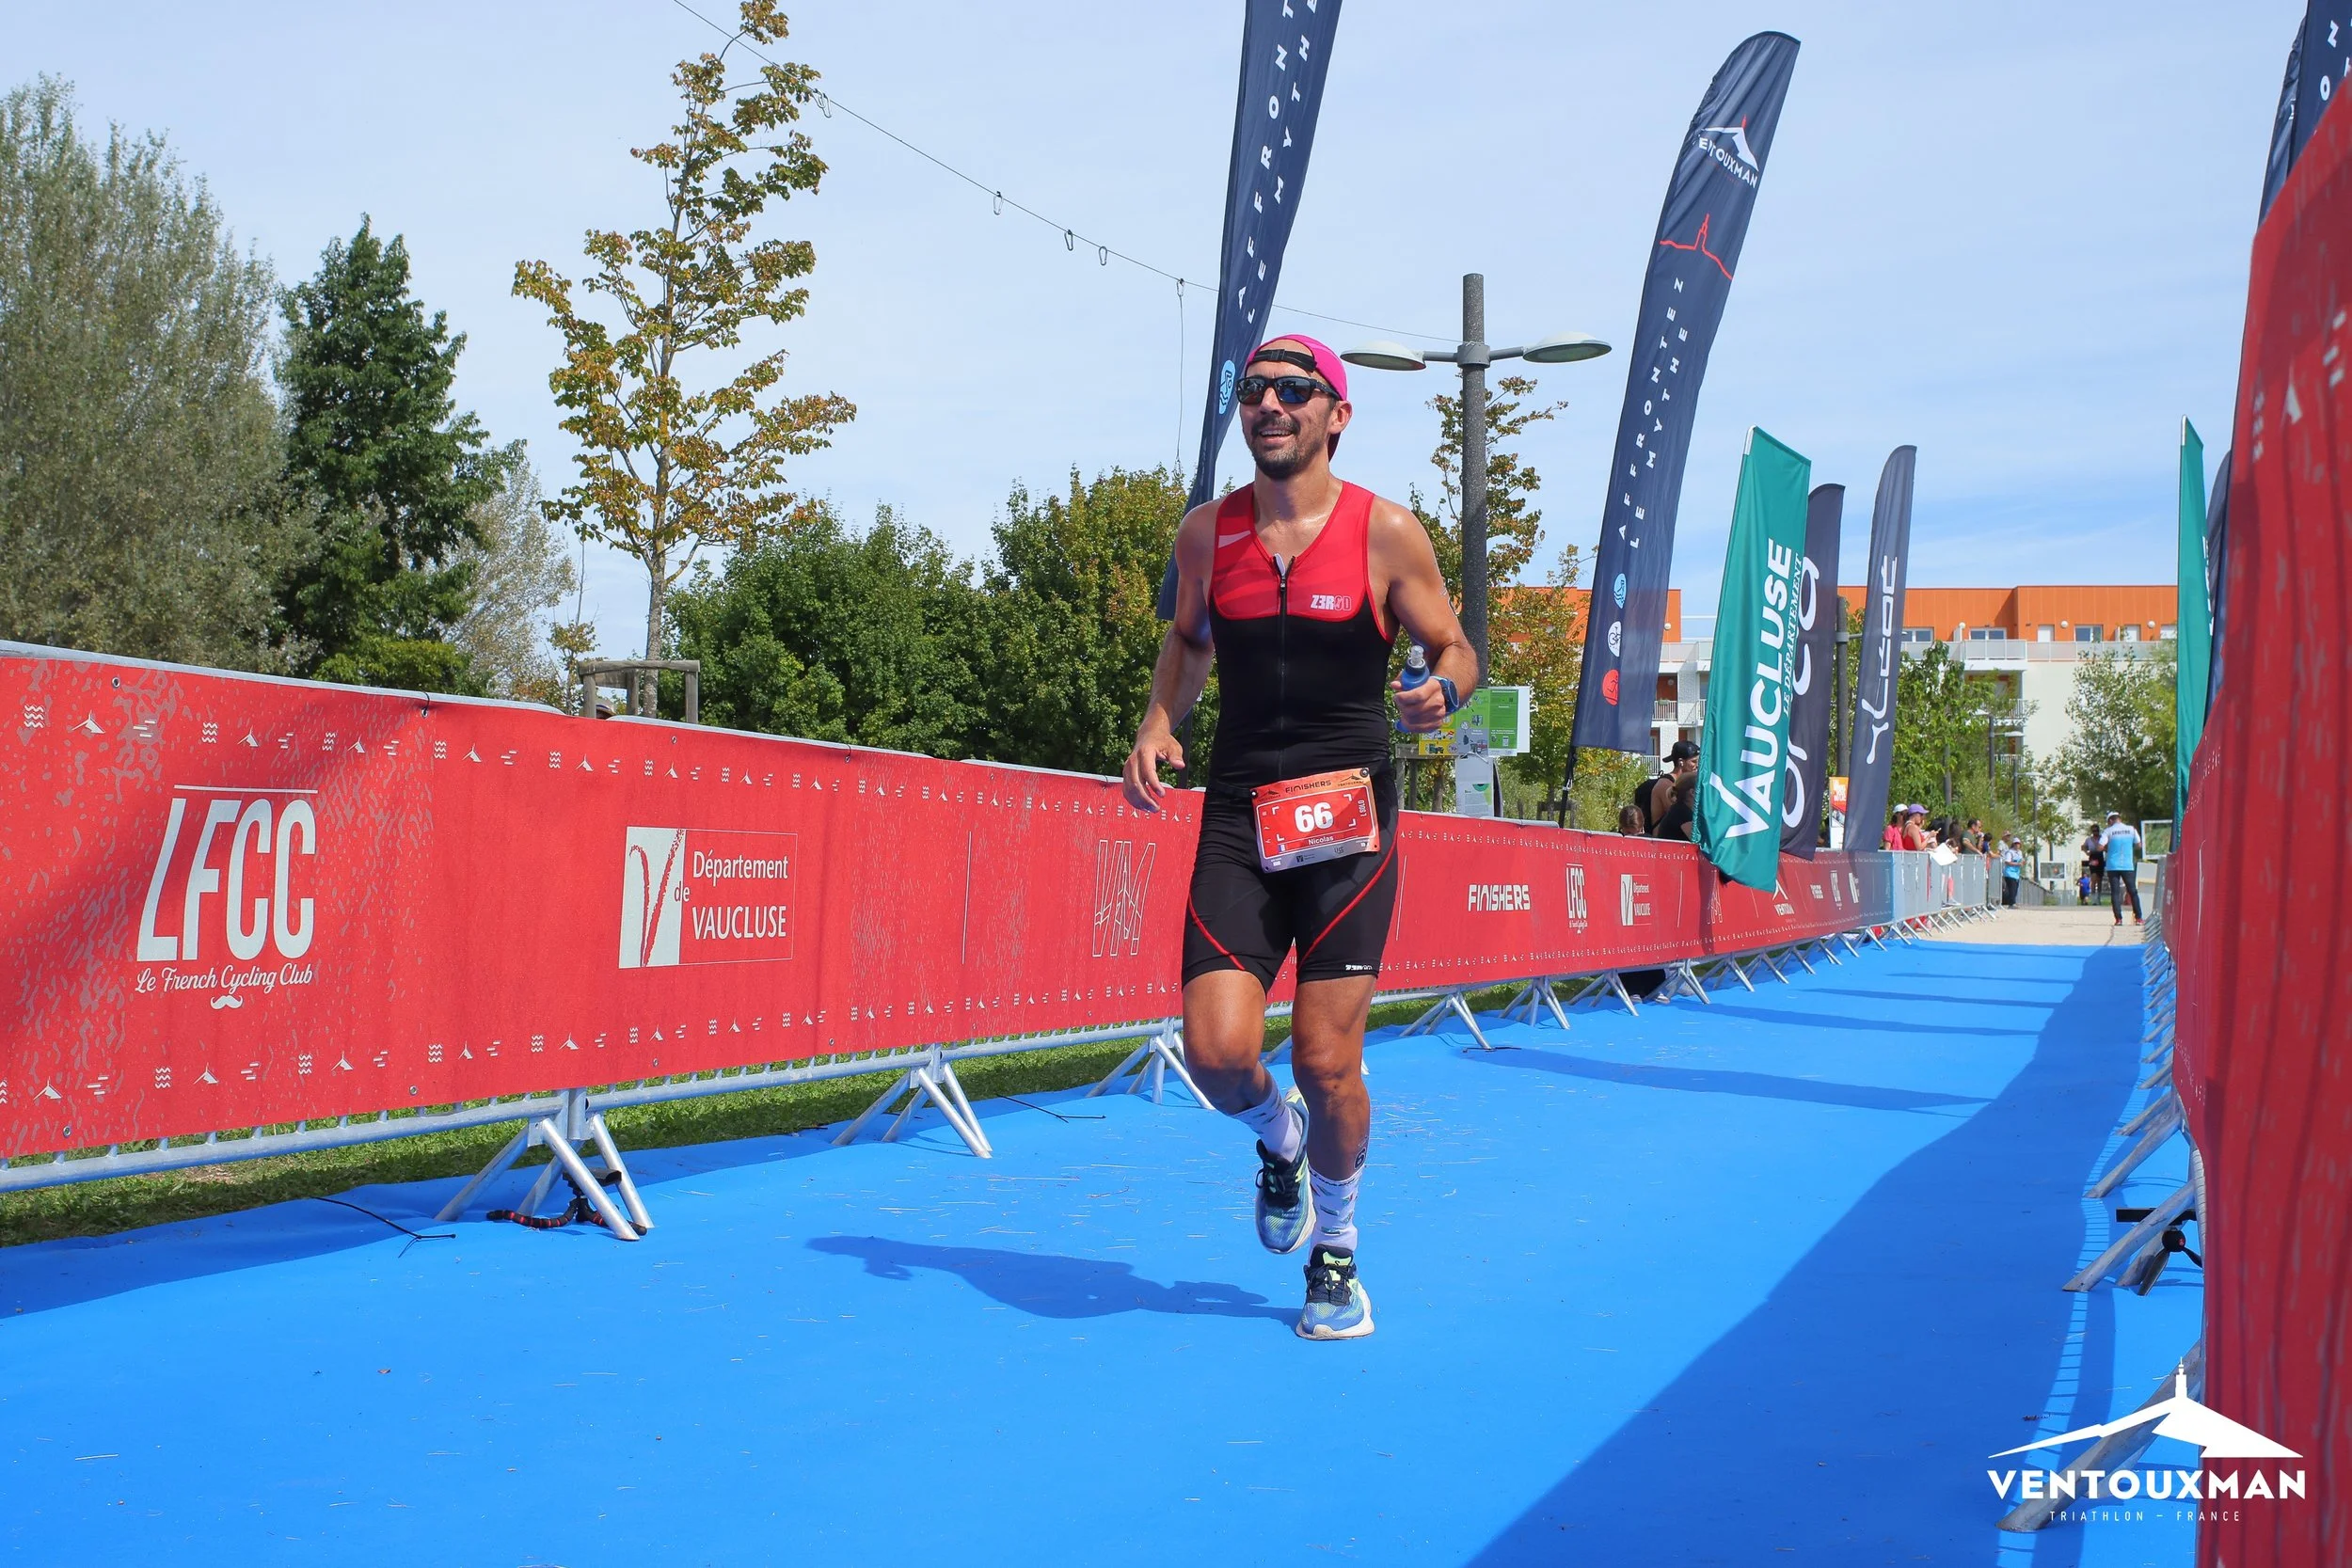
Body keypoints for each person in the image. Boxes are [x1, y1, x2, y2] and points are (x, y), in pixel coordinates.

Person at [1121, 335, 1474, 1341]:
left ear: (1335, 413)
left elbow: (1454, 645)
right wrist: (1159, 721)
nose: (1267, 404)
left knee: (1327, 1059)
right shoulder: (1206, 533)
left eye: (1291, 390)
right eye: (1252, 391)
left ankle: (1337, 1253)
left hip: (1347, 817)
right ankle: (1278, 1143)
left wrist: (1440, 690)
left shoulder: (1383, 530)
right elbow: (1187, 641)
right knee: (1217, 1050)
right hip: (1238, 811)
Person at [1634, 740, 1700, 835]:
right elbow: (1681, 814)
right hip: (1662, 841)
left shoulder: (1676, 783)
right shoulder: (1665, 784)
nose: (1697, 766)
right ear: (1681, 762)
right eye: (1693, 761)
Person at [2100, 811, 2144, 925]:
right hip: (2127, 865)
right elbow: (2139, 845)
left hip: (2112, 865)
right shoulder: (2131, 829)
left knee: (2115, 892)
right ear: (2119, 818)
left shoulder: (2108, 831)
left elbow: (2099, 847)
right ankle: (2138, 918)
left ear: (2110, 821)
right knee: (2132, 891)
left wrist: (2108, 849)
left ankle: (2118, 919)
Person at [2081, 828, 2106, 907]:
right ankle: (2094, 899)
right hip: (2092, 857)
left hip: (2100, 857)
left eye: (2097, 831)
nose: (2096, 832)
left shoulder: (2102, 838)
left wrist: (2103, 848)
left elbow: (2107, 847)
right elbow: (2083, 847)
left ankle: (2098, 898)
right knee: (2093, 877)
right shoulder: (2089, 839)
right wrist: (2087, 852)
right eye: (2094, 831)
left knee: (2099, 879)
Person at [2000, 833, 2025, 907]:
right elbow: (2007, 862)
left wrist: (2022, 862)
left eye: (2018, 844)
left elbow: (2021, 860)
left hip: (2016, 873)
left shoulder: (2020, 852)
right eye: (2016, 844)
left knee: (2016, 888)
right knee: (2012, 888)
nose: (2017, 845)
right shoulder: (2010, 852)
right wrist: (2017, 864)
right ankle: (2011, 903)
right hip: (2009, 873)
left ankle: (2013, 902)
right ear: (2013, 844)